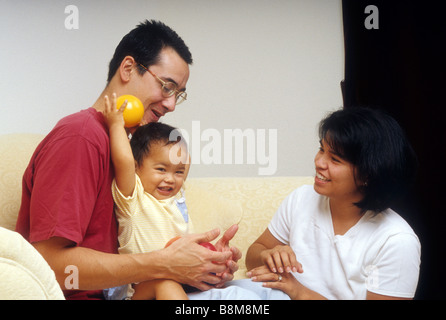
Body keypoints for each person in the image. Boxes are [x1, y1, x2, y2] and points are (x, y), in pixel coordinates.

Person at [15, 20, 240, 300]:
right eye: (166, 87)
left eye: (178, 95)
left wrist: (205, 265)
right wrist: (166, 264)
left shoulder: (132, 149)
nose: (171, 104)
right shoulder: (81, 137)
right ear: (128, 69)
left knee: (254, 295)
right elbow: (47, 263)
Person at [188, 107, 421, 300]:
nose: (319, 162)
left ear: (368, 174)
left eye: (335, 159)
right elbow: (253, 256)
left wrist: (300, 292)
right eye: (322, 149)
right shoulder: (302, 198)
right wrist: (271, 254)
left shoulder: (396, 241)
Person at [102, 94, 193, 300]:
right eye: (161, 169)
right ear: (136, 167)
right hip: (137, 292)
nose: (170, 179)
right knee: (165, 284)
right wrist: (117, 125)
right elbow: (124, 160)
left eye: (178, 172)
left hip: (178, 284)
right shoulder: (133, 199)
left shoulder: (177, 196)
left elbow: (184, 160)